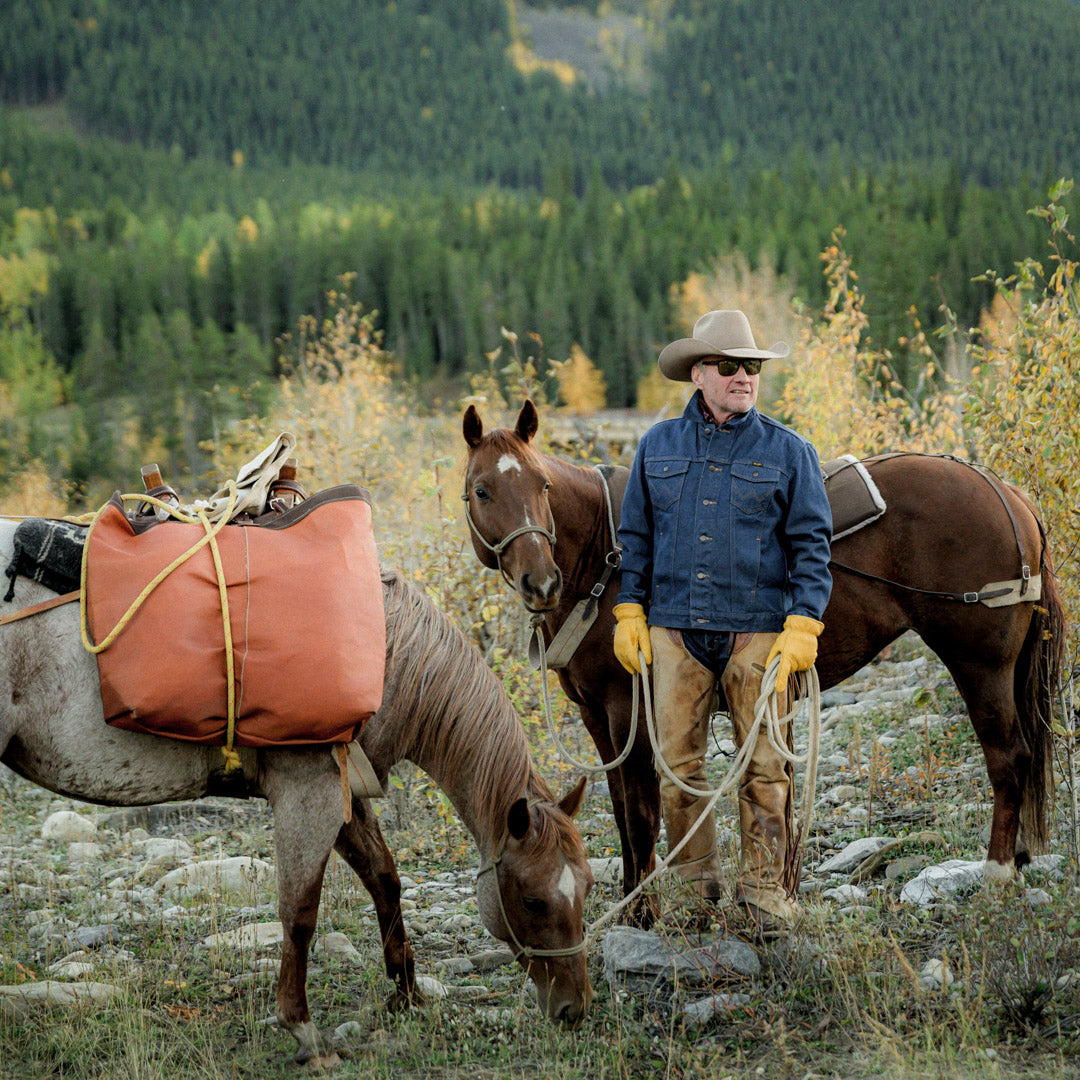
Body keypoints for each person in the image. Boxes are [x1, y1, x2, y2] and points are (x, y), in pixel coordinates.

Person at [613, 309, 832, 932]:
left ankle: (763, 896)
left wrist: (803, 624)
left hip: (757, 630)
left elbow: (813, 546)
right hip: (674, 630)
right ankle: (695, 894)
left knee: (766, 766)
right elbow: (635, 534)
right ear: (699, 373)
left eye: (753, 366)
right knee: (676, 770)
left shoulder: (791, 452)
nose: (744, 376)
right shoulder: (657, 446)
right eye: (730, 366)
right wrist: (631, 607)